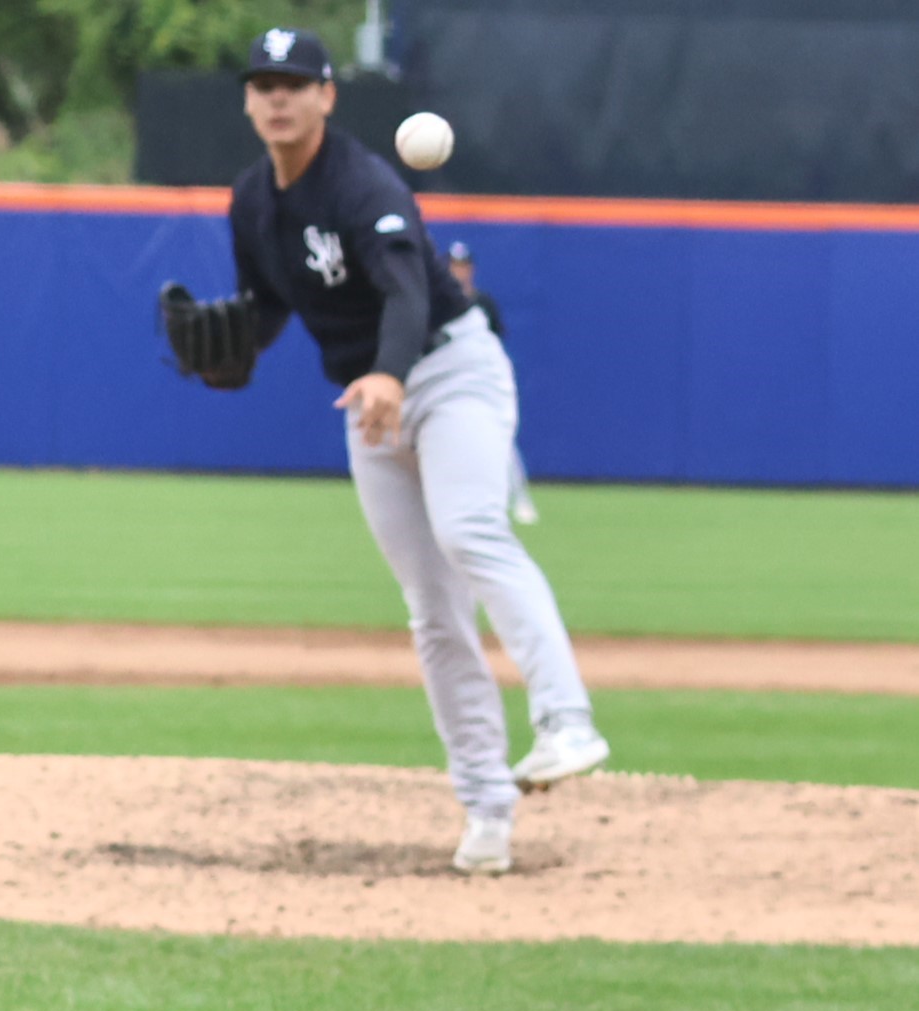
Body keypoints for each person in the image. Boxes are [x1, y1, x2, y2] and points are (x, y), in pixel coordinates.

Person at [160, 29, 608, 875]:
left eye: (294, 82)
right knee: (430, 609)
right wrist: (228, 350)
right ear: (248, 100)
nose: (277, 96)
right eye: (262, 83)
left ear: (328, 95)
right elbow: (262, 309)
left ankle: (565, 721)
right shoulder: (251, 201)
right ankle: (485, 808)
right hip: (369, 408)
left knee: (471, 528)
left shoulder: (362, 184)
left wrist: (390, 375)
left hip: (446, 371)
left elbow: (405, 289)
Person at [446, 240, 541, 525]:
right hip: (449, 380)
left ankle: (520, 499)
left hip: (481, 379)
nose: (459, 271)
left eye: (463, 266)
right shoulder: (440, 301)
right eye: (454, 266)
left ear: (471, 269)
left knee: (501, 441)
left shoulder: (483, 302)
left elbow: (497, 341)